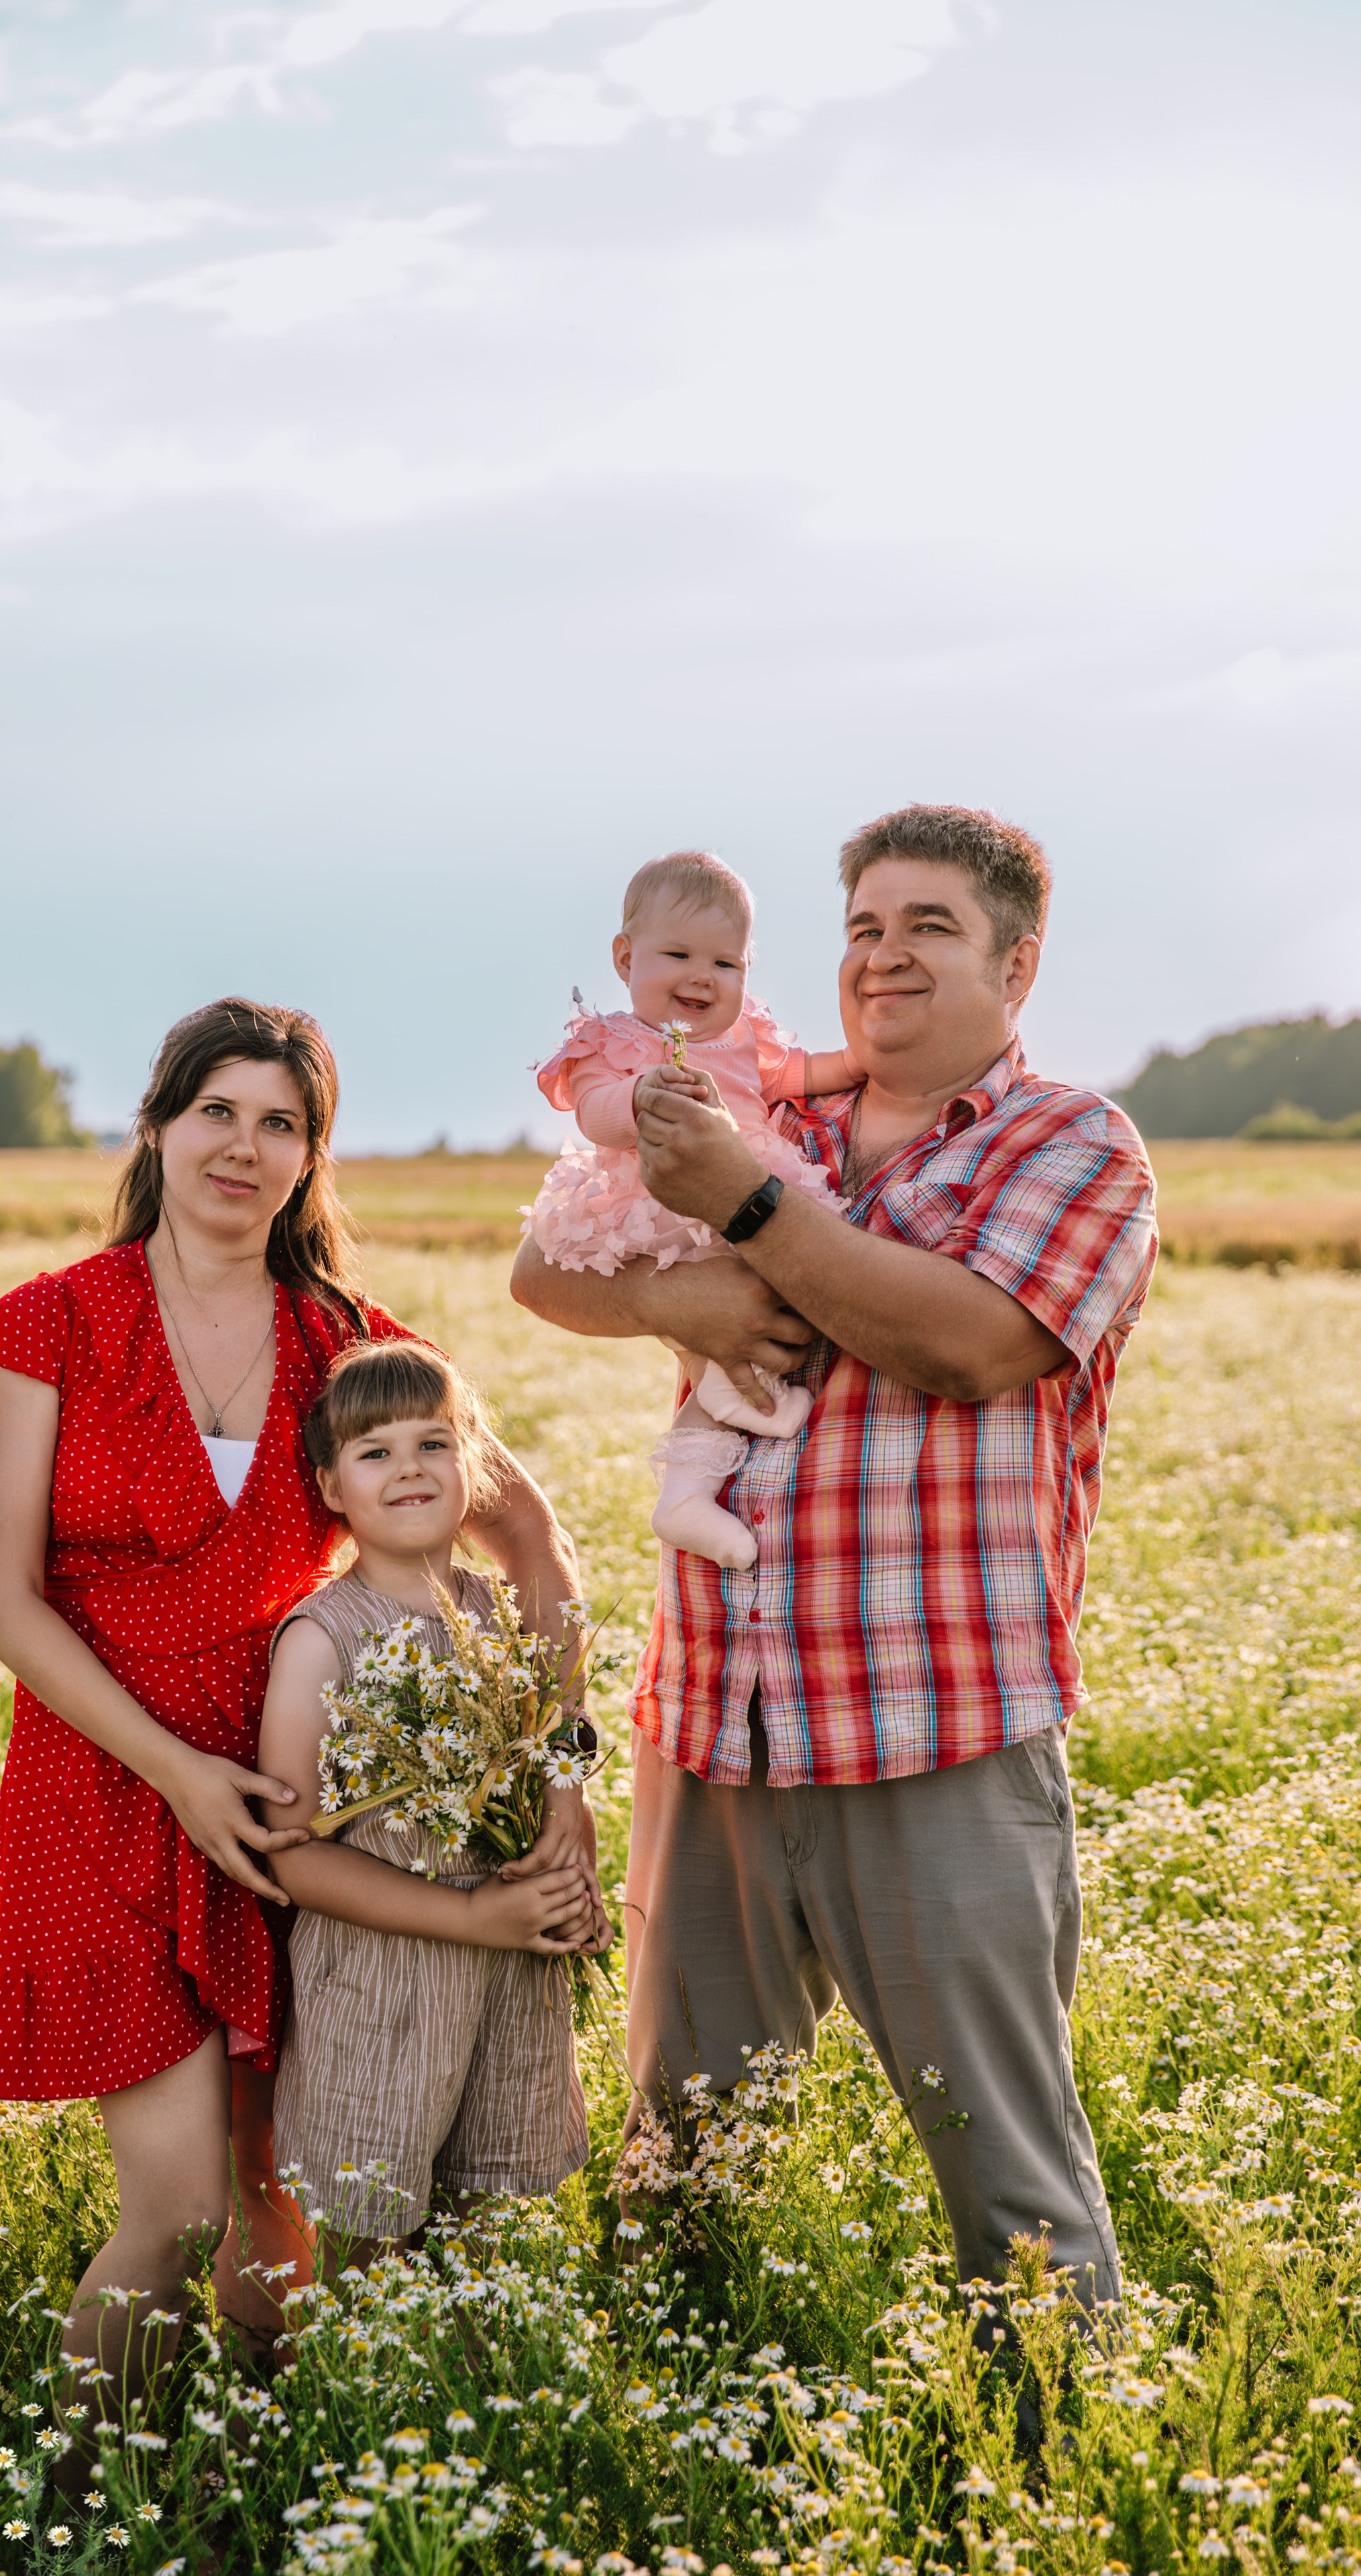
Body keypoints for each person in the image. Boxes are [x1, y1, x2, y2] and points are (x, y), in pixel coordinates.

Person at [512, 804, 1158, 2303]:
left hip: (930, 1727)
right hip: (715, 1721)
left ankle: (1062, 2491)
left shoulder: (1070, 1143)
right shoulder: (771, 1110)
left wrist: (738, 1211)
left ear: (1017, 958)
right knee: (679, 2156)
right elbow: (547, 1262)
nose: (882, 957)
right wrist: (677, 1303)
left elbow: (965, 1342)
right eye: (863, 926)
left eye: (927, 927)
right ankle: (674, 2452)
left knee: (1006, 2170)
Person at [0, 997, 580, 2467]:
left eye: (280, 1123)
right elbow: (2, 1599)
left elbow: (536, 1544)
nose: (244, 1146)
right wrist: (175, 1774)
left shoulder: (347, 1343)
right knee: (170, 2208)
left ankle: (262, 2480)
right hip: (107, 1785)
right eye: (216, 1112)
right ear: (159, 1127)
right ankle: (75, 2497)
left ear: (312, 1159)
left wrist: (551, 1772)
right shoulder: (54, 1319)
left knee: (282, 2210)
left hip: (305, 1801)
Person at [259, 1338, 606, 2264]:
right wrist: (478, 1918)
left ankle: (475, 2399)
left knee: (484, 2241)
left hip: (507, 1987)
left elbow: (550, 1751)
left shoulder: (500, 1614)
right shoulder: (322, 1642)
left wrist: (569, 1854)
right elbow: (290, 1853)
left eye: (434, 1444)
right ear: (332, 1487)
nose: (408, 1468)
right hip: (381, 1991)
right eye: (375, 1453)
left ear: (476, 1466)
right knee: (371, 2249)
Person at [527, 849, 858, 1568]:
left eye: (727, 964)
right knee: (716, 1319)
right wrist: (639, 1098)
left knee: (758, 1302)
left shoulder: (745, 1041)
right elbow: (592, 1113)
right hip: (659, 1202)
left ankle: (684, 1496)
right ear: (625, 957)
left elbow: (799, 1076)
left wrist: (862, 1061)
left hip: (745, 1193)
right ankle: (735, 1410)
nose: (702, 976)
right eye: (677, 954)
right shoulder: (616, 1041)